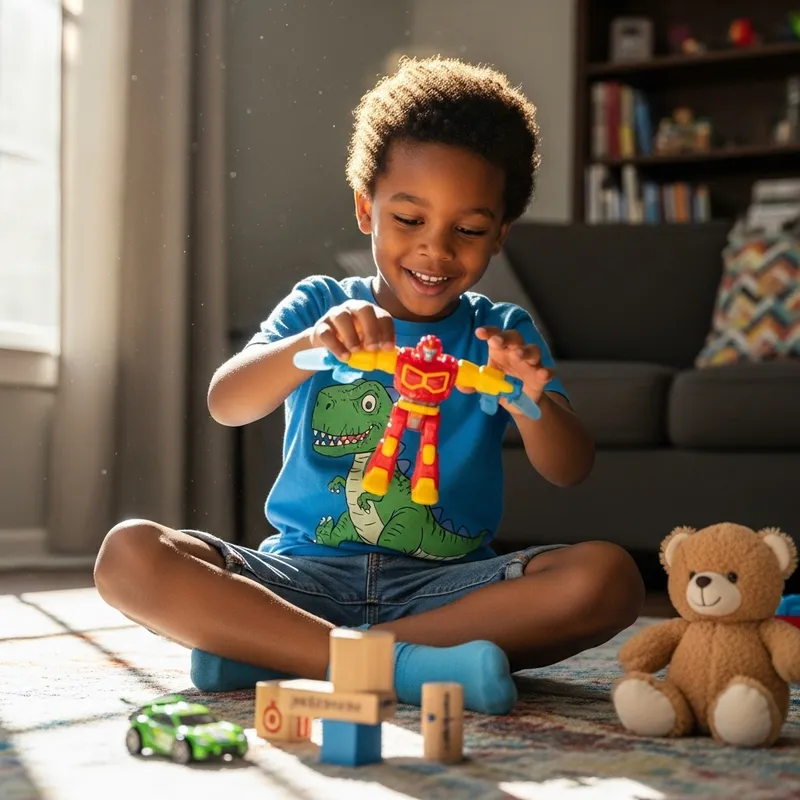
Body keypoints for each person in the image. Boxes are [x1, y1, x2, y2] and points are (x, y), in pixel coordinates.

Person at [94, 57, 644, 715]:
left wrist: (527, 398)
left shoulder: (502, 332)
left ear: (499, 234)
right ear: (366, 209)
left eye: (467, 230)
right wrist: (309, 346)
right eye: (409, 220)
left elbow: (569, 467)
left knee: (610, 579)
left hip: (446, 590)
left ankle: (282, 654)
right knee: (127, 554)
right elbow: (226, 401)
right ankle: (393, 665)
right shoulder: (321, 304)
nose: (435, 252)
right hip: (300, 577)